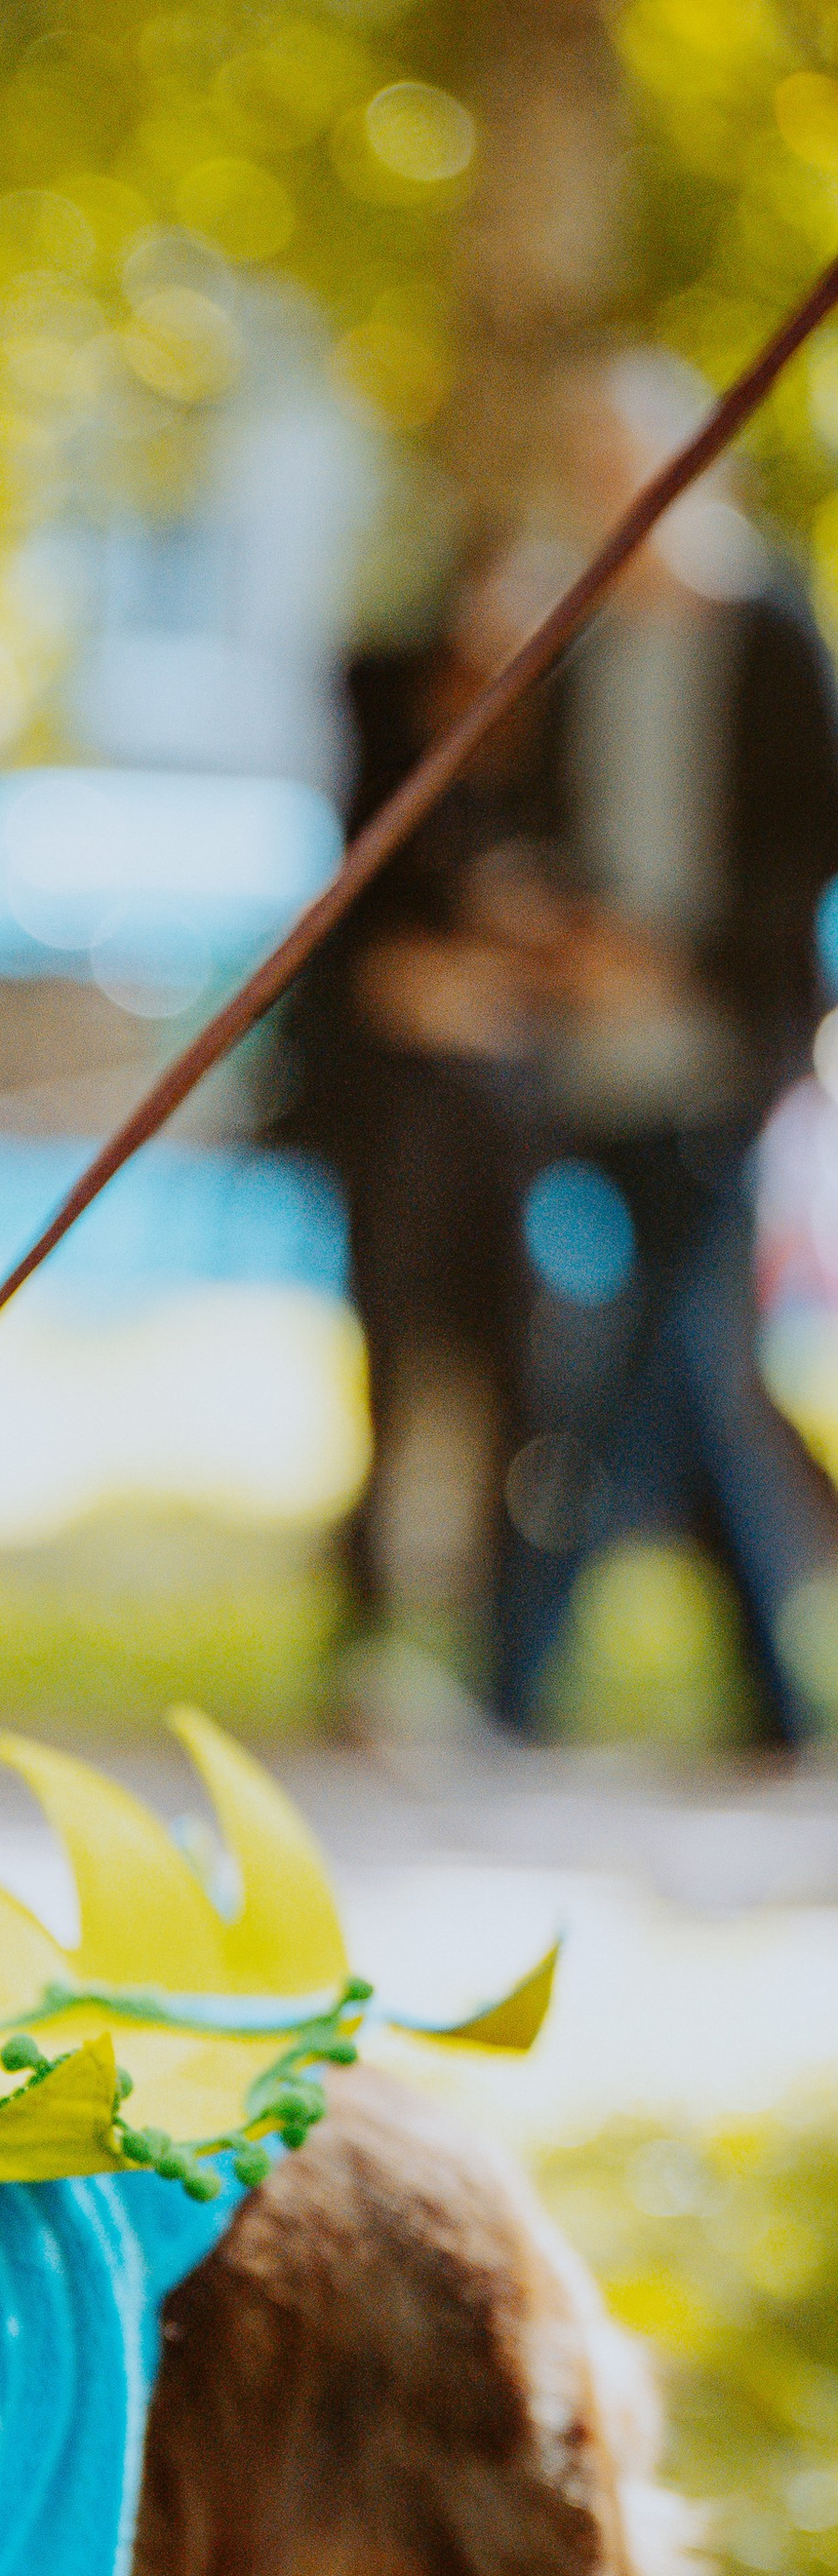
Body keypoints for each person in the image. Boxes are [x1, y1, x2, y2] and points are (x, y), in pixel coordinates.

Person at [490, 349, 838, 1747]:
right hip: (597, 1058)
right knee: (690, 1364)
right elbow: (548, 818)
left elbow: (808, 835)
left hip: (719, 1054)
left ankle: (510, 1677)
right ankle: (777, 1698)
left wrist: (683, 952)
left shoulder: (766, 632)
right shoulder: (584, 640)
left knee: (626, 1365)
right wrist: (552, 918)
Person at [293, 546, 556, 1733]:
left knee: (516, 1390)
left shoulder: (552, 773)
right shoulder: (395, 763)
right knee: (394, 1388)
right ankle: (369, 1646)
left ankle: (499, 1658)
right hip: (398, 1127)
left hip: (507, 1133)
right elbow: (366, 968)